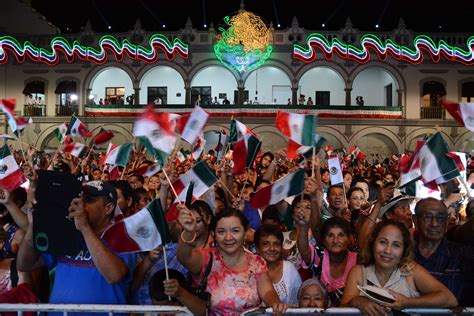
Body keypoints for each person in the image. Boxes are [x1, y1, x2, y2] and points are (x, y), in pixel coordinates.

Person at [17, 181, 137, 313]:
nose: (80, 204)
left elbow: (114, 276)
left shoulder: (123, 237)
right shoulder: (67, 235)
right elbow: (25, 264)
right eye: (78, 198)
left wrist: (85, 228)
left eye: (89, 200)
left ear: (108, 208)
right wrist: (33, 226)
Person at [177, 207, 286, 315]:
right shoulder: (207, 258)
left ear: (245, 233)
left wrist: (275, 304)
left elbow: (267, 292)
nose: (228, 237)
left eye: (235, 231)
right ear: (214, 234)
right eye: (221, 231)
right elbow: (184, 257)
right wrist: (188, 231)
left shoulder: (256, 263)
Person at [341, 220, 458, 314]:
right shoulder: (359, 272)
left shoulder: (411, 271)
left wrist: (408, 302)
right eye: (383, 242)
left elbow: (449, 299)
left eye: (396, 245)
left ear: (404, 250)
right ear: (373, 243)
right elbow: (341, 310)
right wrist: (356, 301)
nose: (387, 250)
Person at [413, 198, 474, 306]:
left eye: (440, 218)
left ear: (446, 222)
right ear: (415, 221)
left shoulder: (462, 254)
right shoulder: (404, 253)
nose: (434, 223)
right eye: (427, 217)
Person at [297, 217, 357, 306]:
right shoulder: (319, 255)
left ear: (348, 239)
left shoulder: (358, 261)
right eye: (330, 235)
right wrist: (303, 226)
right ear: (324, 241)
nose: (335, 240)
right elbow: (304, 250)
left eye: (341, 235)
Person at [255, 224, 302, 305]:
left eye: (276, 244)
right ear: (257, 248)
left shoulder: (289, 269)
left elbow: (298, 303)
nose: (272, 248)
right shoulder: (250, 269)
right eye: (266, 244)